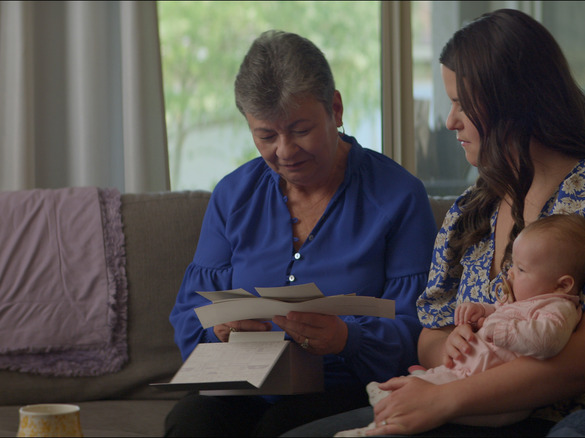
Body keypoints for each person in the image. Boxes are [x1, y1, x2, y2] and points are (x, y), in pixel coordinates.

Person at [283, 8, 585, 437]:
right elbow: (429, 336)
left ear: (512, 99)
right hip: (458, 405)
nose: (450, 120)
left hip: (555, 417)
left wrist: (444, 399)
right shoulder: (470, 212)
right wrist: (448, 347)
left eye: (460, 103)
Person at [164, 30, 437, 437]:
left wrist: (349, 337)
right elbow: (190, 313)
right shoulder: (232, 195)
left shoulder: (398, 196)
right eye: (267, 136)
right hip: (247, 382)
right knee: (190, 423)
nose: (285, 151)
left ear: (336, 109)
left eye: (300, 129)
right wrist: (216, 331)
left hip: (348, 385)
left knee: (281, 429)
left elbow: (422, 327)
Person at [335, 214, 585, 436]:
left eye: (521, 269)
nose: (510, 273)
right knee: (418, 386)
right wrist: (481, 311)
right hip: (467, 374)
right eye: (512, 266)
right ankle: (387, 399)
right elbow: (501, 313)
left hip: (496, 402)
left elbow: (547, 340)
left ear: (562, 284)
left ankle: (377, 429)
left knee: (424, 396)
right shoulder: (525, 298)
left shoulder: (559, 307)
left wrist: (497, 330)